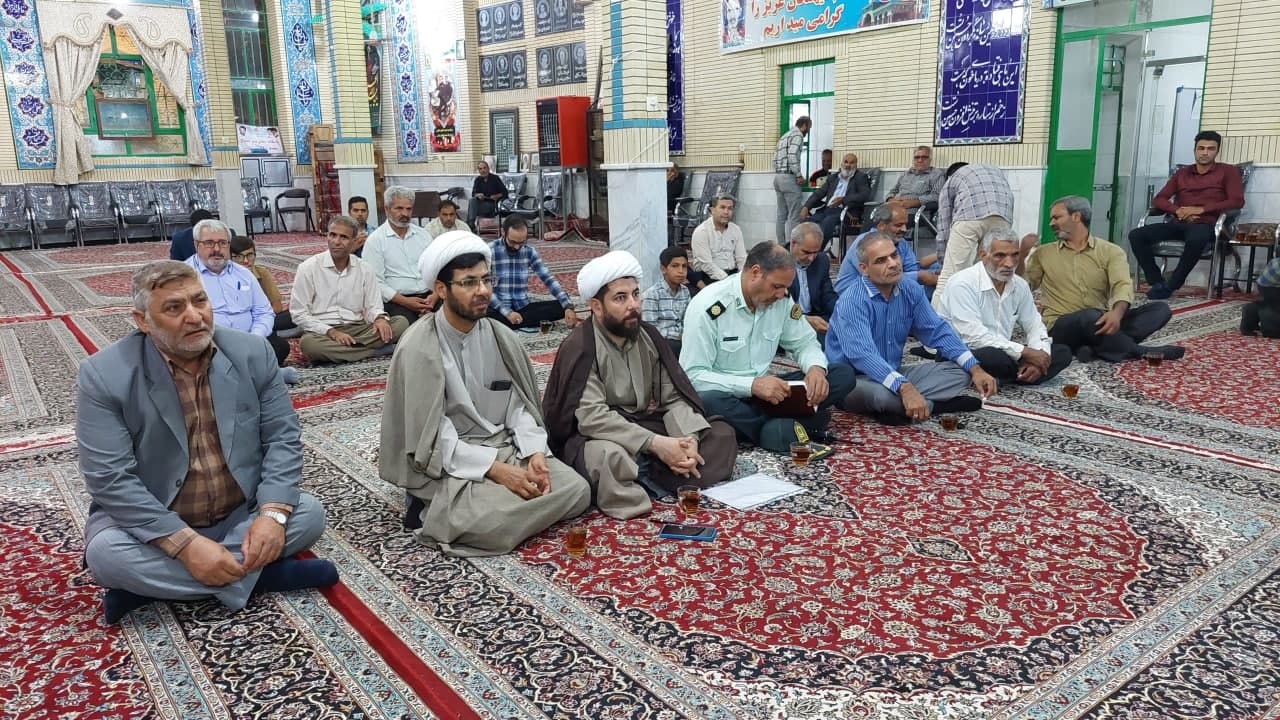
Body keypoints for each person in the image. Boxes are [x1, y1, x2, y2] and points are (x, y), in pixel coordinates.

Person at [78, 260, 336, 624]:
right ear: (142, 321)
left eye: (200, 301)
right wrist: (184, 545)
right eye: (174, 308)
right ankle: (264, 576)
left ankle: (152, 588)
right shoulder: (105, 375)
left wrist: (271, 516)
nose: (195, 316)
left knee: (308, 513)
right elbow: (110, 479)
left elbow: (282, 437)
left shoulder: (251, 352)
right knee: (107, 555)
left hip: (239, 514)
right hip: (158, 524)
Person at [379, 231, 591, 556]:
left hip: (505, 447)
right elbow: (431, 435)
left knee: (577, 489)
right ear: (441, 289)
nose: (482, 291)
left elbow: (519, 407)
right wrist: (496, 470)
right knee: (491, 521)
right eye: (468, 282)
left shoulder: (501, 337)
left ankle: (475, 509)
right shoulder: (419, 347)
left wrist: (534, 452)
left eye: (486, 280)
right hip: (448, 460)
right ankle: (441, 507)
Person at [543, 252, 738, 519]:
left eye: (636, 294)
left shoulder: (648, 337)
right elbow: (591, 418)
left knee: (722, 434)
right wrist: (655, 444)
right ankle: (651, 473)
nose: (633, 305)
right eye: (620, 298)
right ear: (596, 307)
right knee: (609, 457)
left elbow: (673, 397)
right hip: (599, 435)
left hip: (644, 424)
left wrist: (687, 441)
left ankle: (651, 471)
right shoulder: (581, 347)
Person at [681, 242, 857, 452]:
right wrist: (752, 385)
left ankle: (774, 427)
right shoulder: (708, 306)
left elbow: (804, 342)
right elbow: (693, 376)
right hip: (728, 395)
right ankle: (781, 427)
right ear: (755, 273)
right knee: (708, 401)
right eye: (776, 286)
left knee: (842, 375)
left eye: (786, 288)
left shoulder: (780, 301)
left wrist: (815, 369)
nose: (781, 294)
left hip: (769, 396)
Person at [827, 232, 998, 425]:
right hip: (855, 380)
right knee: (883, 396)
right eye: (881, 261)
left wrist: (975, 369)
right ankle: (931, 405)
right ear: (864, 269)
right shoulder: (852, 301)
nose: (893, 264)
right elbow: (863, 356)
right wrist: (904, 388)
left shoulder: (909, 289)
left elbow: (937, 331)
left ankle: (904, 406)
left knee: (962, 372)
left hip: (894, 372)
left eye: (894, 255)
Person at [1027, 196, 1183, 363]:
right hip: (1061, 326)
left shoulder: (1111, 251)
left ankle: (1092, 348)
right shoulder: (1043, 253)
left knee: (1160, 310)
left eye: (1056, 217)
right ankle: (1139, 351)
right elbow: (1024, 286)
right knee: (1088, 316)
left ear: (1076, 216)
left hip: (1100, 322)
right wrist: (1022, 255)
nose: (1051, 223)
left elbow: (1122, 285)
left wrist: (1116, 313)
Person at [935, 228, 1072, 386]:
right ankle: (1019, 373)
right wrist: (1025, 352)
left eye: (1015, 255)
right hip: (963, 351)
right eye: (1000, 256)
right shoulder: (962, 283)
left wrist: (1040, 355)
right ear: (983, 255)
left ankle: (1022, 372)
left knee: (1062, 352)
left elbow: (1034, 324)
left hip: (1004, 350)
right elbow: (974, 338)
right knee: (994, 357)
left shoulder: (1019, 285)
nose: (1009, 263)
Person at [1128, 130, 1245, 299]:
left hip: (1208, 224)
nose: (1205, 153)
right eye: (1201, 148)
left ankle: (1172, 285)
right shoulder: (1182, 173)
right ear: (1195, 150)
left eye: (1210, 149)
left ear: (1217, 151)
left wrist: (1201, 209)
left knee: (1196, 237)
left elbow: (1237, 201)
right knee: (1136, 235)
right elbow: (1159, 199)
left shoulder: (1228, 171)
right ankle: (1156, 281)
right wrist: (1177, 210)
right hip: (1179, 222)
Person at [291, 214, 410, 364]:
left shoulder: (364, 269)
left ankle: (347, 351)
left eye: (343, 237)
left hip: (358, 328)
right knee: (309, 345)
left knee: (400, 323)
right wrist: (331, 332)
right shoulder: (308, 268)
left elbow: (373, 306)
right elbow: (299, 313)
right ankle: (374, 351)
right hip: (323, 331)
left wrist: (379, 319)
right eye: (332, 235)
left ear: (354, 241)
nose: (336, 242)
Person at [184, 219, 291, 368]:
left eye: (222, 243)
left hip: (250, 338)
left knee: (279, 347)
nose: (216, 249)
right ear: (197, 245)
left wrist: (255, 338)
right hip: (211, 343)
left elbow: (264, 311)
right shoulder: (184, 276)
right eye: (209, 243)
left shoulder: (244, 274)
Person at [933, 162, 1014, 308]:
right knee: (987, 276)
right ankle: (984, 318)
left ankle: (935, 321)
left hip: (969, 216)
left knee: (949, 278)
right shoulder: (994, 171)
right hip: (1003, 216)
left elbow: (944, 226)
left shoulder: (952, 180)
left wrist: (943, 260)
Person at [488, 215, 580, 330]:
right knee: (483, 314)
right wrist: (507, 312)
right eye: (512, 242)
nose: (517, 247)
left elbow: (548, 279)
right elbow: (484, 288)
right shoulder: (489, 251)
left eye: (521, 242)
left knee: (561, 307)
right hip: (497, 308)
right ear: (503, 232)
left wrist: (568, 306)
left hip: (522, 306)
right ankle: (512, 321)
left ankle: (511, 323)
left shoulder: (529, 252)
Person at [363, 186, 435, 325]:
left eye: (409, 209)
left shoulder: (423, 235)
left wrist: (435, 296)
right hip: (398, 301)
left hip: (430, 297)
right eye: (399, 208)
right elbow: (376, 282)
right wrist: (407, 302)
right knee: (409, 327)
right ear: (387, 209)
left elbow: (436, 269)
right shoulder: (375, 241)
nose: (405, 214)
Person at [835, 204, 939, 296]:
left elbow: (912, 269)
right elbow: (877, 277)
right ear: (881, 226)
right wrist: (920, 277)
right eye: (898, 225)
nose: (904, 229)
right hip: (856, 294)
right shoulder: (865, 242)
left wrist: (934, 273)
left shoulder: (901, 242)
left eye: (905, 224)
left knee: (938, 281)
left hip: (889, 288)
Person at [229, 233, 298, 341]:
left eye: (250, 255)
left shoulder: (262, 273)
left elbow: (277, 307)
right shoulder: (225, 277)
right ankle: (275, 334)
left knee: (295, 314)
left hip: (262, 318)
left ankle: (271, 332)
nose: (246, 261)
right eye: (239, 257)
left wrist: (261, 318)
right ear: (229, 258)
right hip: (237, 323)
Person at [800, 152, 872, 249]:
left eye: (851, 163)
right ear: (841, 163)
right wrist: (806, 206)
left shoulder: (860, 177)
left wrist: (843, 199)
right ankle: (802, 250)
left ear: (856, 165)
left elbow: (865, 195)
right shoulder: (833, 178)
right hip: (827, 210)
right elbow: (819, 193)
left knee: (827, 222)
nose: (848, 165)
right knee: (807, 223)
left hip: (847, 213)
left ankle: (816, 250)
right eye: (846, 162)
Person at [787, 222, 838, 341]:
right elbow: (777, 308)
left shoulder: (821, 260)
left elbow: (828, 296)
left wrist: (844, 311)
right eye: (806, 252)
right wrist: (804, 319)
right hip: (788, 320)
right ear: (793, 243)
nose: (811, 258)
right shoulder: (779, 262)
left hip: (816, 315)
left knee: (842, 334)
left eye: (815, 252)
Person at [688, 193, 746, 290]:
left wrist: (743, 278)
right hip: (709, 277)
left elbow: (741, 259)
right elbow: (707, 265)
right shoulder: (702, 232)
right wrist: (728, 282)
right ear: (712, 210)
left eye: (730, 208)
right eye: (722, 207)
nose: (726, 212)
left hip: (733, 275)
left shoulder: (736, 230)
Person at [641, 246, 691, 355]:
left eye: (684, 266)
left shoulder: (685, 291)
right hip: (661, 344)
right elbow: (649, 329)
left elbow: (688, 320)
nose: (681, 271)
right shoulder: (652, 294)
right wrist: (678, 335)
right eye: (675, 266)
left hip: (683, 341)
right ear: (663, 269)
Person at [773, 116, 812, 244]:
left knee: (781, 215)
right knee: (794, 216)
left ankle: (781, 245)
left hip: (778, 177)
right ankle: (792, 248)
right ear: (804, 125)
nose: (808, 132)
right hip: (789, 178)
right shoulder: (798, 135)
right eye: (808, 128)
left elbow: (774, 158)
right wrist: (798, 174)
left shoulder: (784, 136)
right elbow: (792, 155)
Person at [884, 145, 945, 210]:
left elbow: (937, 196)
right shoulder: (906, 174)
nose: (920, 160)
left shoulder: (937, 174)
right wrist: (890, 199)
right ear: (913, 159)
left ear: (930, 160)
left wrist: (914, 202)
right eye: (917, 157)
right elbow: (893, 191)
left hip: (915, 211)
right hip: (895, 208)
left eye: (924, 157)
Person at [1241, 257, 1280, 337]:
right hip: (1272, 287)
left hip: (1264, 284)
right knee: (1274, 308)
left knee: (1270, 304)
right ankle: (1270, 327)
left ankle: (1251, 311)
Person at [467, 160, 508, 227]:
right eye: (480, 169)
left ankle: (470, 225)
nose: (483, 170)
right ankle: (471, 224)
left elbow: (505, 192)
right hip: (481, 204)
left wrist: (496, 196)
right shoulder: (478, 180)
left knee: (472, 207)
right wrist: (478, 195)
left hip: (492, 205)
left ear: (488, 169)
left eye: (484, 168)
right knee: (472, 200)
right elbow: (473, 194)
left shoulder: (495, 178)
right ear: (479, 171)